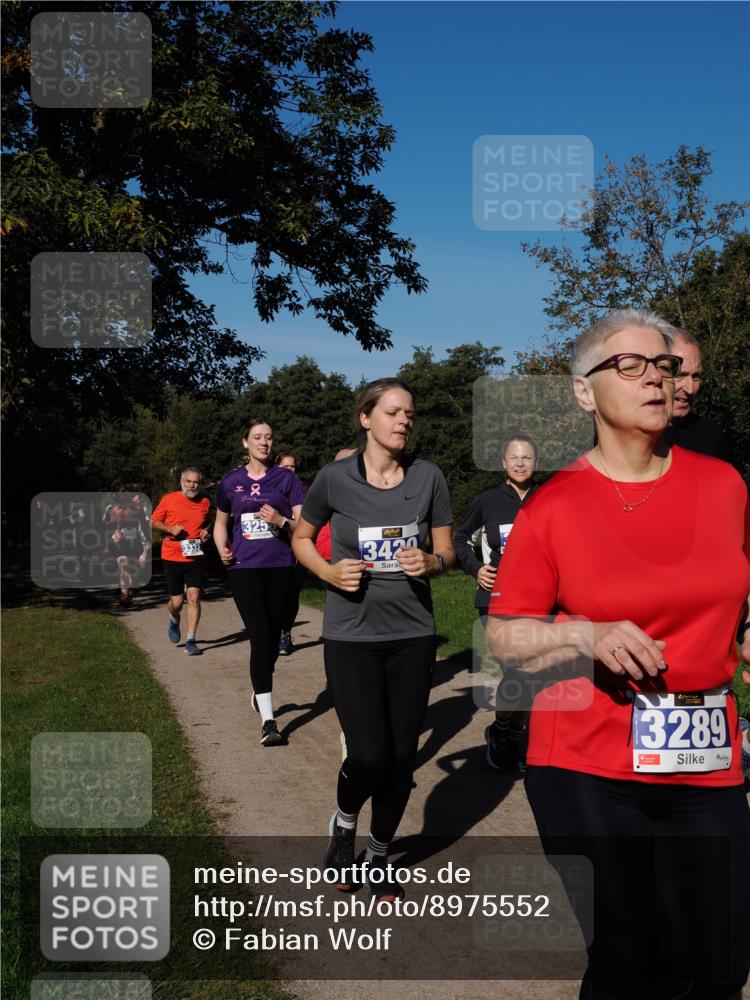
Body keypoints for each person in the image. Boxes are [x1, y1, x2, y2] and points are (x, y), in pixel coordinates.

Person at [486, 307, 750, 999]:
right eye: (629, 365)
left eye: (663, 364)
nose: (655, 378)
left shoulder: (724, 485)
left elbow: (737, 593)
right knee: (632, 962)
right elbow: (504, 635)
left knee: (720, 964)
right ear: (584, 391)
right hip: (586, 757)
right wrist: (586, 635)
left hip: (705, 755)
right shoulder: (554, 505)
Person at [292, 378, 455, 902]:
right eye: (393, 411)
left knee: (401, 759)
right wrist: (326, 571)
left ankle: (379, 855)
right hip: (351, 635)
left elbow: (448, 552)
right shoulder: (335, 478)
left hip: (413, 635)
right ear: (365, 418)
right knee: (369, 755)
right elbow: (300, 537)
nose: (404, 420)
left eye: (410, 413)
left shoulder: (428, 477)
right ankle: (344, 825)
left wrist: (431, 562)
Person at [214, 420, 305, 746]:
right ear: (245, 442)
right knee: (259, 634)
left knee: (274, 635)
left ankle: (260, 685)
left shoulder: (286, 478)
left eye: (268, 437)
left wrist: (280, 520)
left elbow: (302, 526)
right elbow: (221, 523)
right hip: (244, 567)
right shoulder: (230, 482)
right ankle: (269, 721)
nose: (264, 442)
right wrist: (221, 548)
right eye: (257, 437)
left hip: (280, 565)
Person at [454, 434, 539, 771]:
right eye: (514, 457)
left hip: (539, 600)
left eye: (527, 457)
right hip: (496, 600)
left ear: (535, 462)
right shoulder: (488, 500)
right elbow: (461, 538)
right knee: (517, 671)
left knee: (534, 675)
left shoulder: (549, 498)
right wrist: (476, 569)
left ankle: (509, 734)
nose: (520, 463)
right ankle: (504, 732)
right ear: (503, 463)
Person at [151, 468, 211, 656]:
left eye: (195, 482)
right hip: (172, 555)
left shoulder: (205, 502)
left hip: (195, 555)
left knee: (193, 596)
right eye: (188, 482)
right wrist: (169, 528)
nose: (192, 486)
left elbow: (207, 521)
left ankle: (191, 640)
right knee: (177, 602)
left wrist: (206, 531)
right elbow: (153, 521)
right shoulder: (169, 499)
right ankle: (174, 618)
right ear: (181, 482)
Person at [662, 327, 732, 460]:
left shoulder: (711, 436)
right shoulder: (629, 434)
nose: (690, 389)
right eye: (680, 375)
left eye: (696, 376)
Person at [275, 452, 305, 656]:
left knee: (292, 595)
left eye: (293, 467)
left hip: (298, 550)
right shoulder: (269, 490)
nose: (290, 471)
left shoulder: (304, 490)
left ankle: (285, 633)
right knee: (275, 595)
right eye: (286, 467)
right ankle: (274, 633)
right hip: (275, 549)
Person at [103, 493, 151, 606]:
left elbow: (144, 526)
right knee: (123, 566)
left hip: (135, 543)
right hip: (120, 544)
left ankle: (129, 589)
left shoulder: (138, 509)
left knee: (136, 570)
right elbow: (108, 527)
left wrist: (148, 541)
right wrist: (113, 534)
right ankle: (124, 594)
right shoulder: (114, 510)